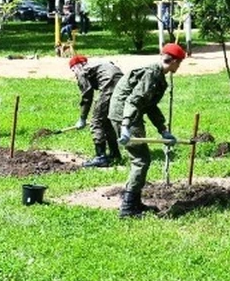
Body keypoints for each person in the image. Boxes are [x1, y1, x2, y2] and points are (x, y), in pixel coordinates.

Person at [109, 43, 186, 218]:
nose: (179, 67)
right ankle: (128, 208)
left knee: (141, 159)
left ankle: (135, 203)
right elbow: (133, 101)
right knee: (141, 160)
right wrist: (125, 126)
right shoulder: (152, 74)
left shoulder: (158, 76)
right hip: (125, 114)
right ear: (172, 61)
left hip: (129, 114)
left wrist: (163, 130)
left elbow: (150, 106)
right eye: (179, 63)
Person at [69, 54, 123, 167]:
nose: (74, 73)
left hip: (110, 86)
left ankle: (101, 157)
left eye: (72, 69)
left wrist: (82, 118)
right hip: (122, 86)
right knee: (107, 122)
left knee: (96, 121)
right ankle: (115, 154)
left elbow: (87, 94)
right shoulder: (97, 64)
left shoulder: (82, 71)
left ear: (76, 66)